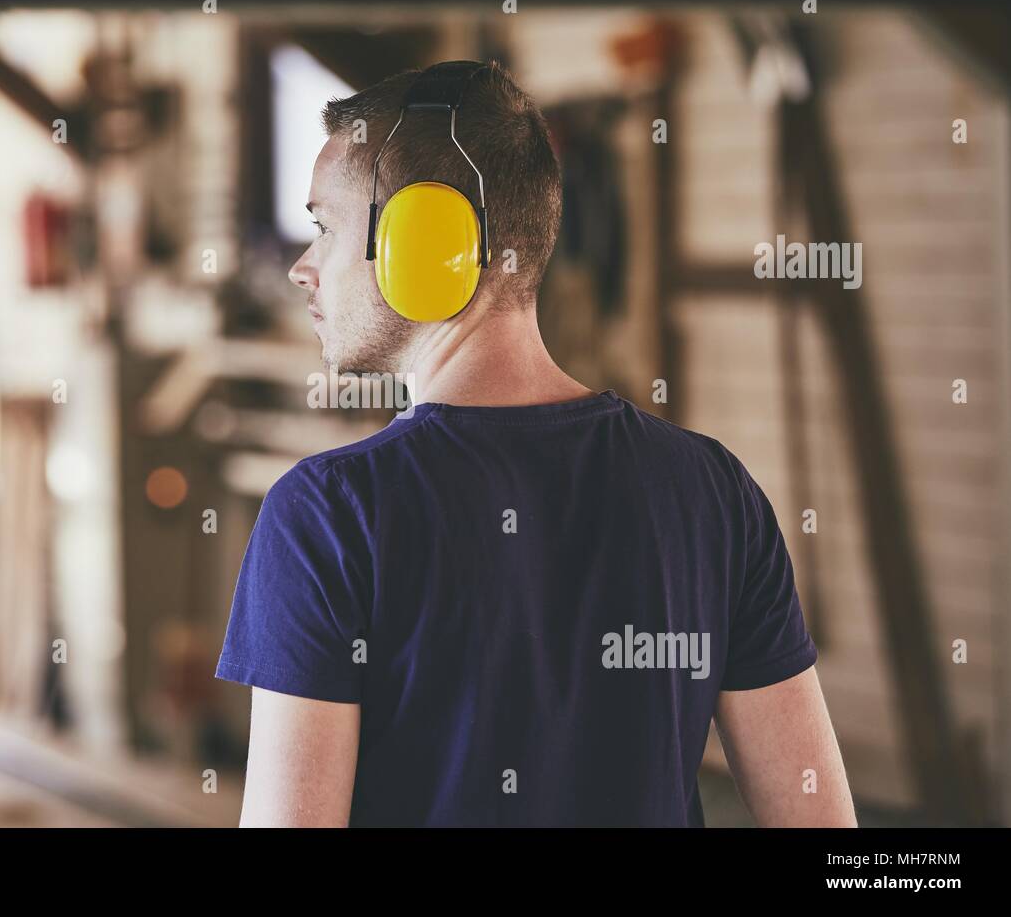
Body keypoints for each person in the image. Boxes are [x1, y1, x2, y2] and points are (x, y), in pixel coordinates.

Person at [214, 59, 855, 827]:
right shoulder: (713, 490)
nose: (301, 268)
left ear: (424, 239)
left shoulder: (327, 515)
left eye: (323, 227)